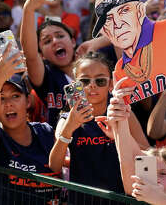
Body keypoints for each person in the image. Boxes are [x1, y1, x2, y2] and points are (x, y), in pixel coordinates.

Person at [49, 51, 149, 204]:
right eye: (84, 81)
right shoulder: (66, 119)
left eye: (100, 81)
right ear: (76, 85)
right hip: (82, 200)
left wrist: (119, 136)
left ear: (110, 85)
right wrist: (69, 128)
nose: (92, 86)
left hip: (122, 197)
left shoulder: (121, 112)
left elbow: (147, 155)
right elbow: (54, 165)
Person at [0, 45, 62, 204]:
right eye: (1, 98)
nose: (8, 104)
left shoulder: (46, 132)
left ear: (28, 101)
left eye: (15, 96)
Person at [106, 77, 166, 205]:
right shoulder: (136, 188)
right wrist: (120, 110)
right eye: (148, 171)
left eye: (163, 174)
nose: (156, 179)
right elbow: (126, 157)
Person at [20, 0, 76, 128]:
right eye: (47, 41)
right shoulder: (46, 75)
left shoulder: (92, 66)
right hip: (61, 147)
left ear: (73, 42)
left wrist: (95, 43)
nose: (55, 41)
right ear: (42, 54)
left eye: (60, 36)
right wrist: (29, 9)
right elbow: (30, 54)